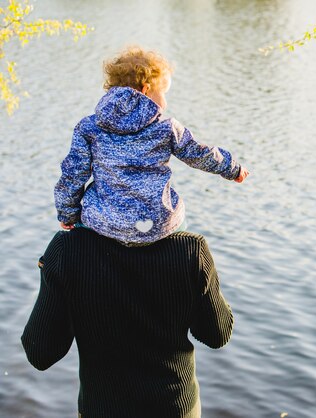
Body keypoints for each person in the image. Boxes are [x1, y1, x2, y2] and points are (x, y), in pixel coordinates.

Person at [21, 227, 234, 417]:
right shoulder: (190, 249)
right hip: (176, 408)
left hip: (102, 409)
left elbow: (40, 353)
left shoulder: (67, 249)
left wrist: (49, 269)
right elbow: (217, 335)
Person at [54, 46, 250, 246]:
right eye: (163, 93)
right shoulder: (166, 127)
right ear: (146, 90)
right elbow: (198, 154)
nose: (164, 102)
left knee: (81, 229)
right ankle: (178, 254)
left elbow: (73, 174)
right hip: (155, 224)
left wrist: (68, 214)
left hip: (105, 223)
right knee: (182, 229)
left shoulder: (89, 127)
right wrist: (232, 168)